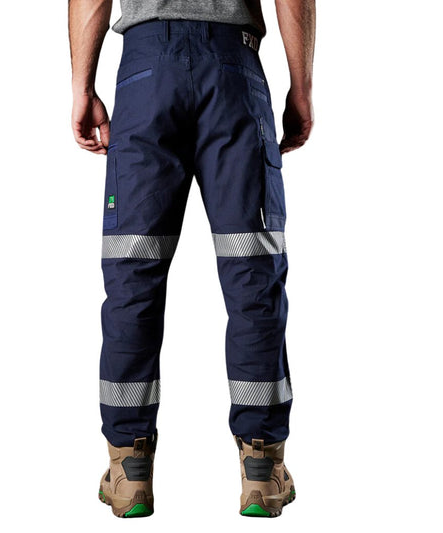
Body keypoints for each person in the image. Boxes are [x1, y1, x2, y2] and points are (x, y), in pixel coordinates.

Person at [69, 0, 315, 519]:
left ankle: (129, 469)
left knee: (133, 275)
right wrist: (301, 86)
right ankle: (262, 470)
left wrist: (81, 86)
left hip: (145, 73)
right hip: (233, 71)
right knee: (252, 274)